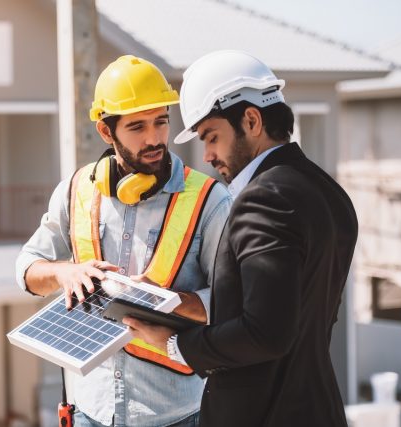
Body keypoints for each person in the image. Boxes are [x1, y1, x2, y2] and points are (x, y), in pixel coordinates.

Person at [125, 50, 358, 427]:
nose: (208, 156)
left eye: (211, 137)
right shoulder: (330, 192)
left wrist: (173, 343)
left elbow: (265, 332)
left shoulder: (264, 198)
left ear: (251, 120)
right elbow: (288, 309)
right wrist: (174, 303)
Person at [15, 55, 232, 427]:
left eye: (161, 122)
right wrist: (65, 273)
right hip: (90, 410)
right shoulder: (76, 191)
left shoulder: (211, 201)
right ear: (105, 132)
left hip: (174, 414)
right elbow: (28, 268)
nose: (154, 138)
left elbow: (235, 301)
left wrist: (169, 302)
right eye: (137, 127)